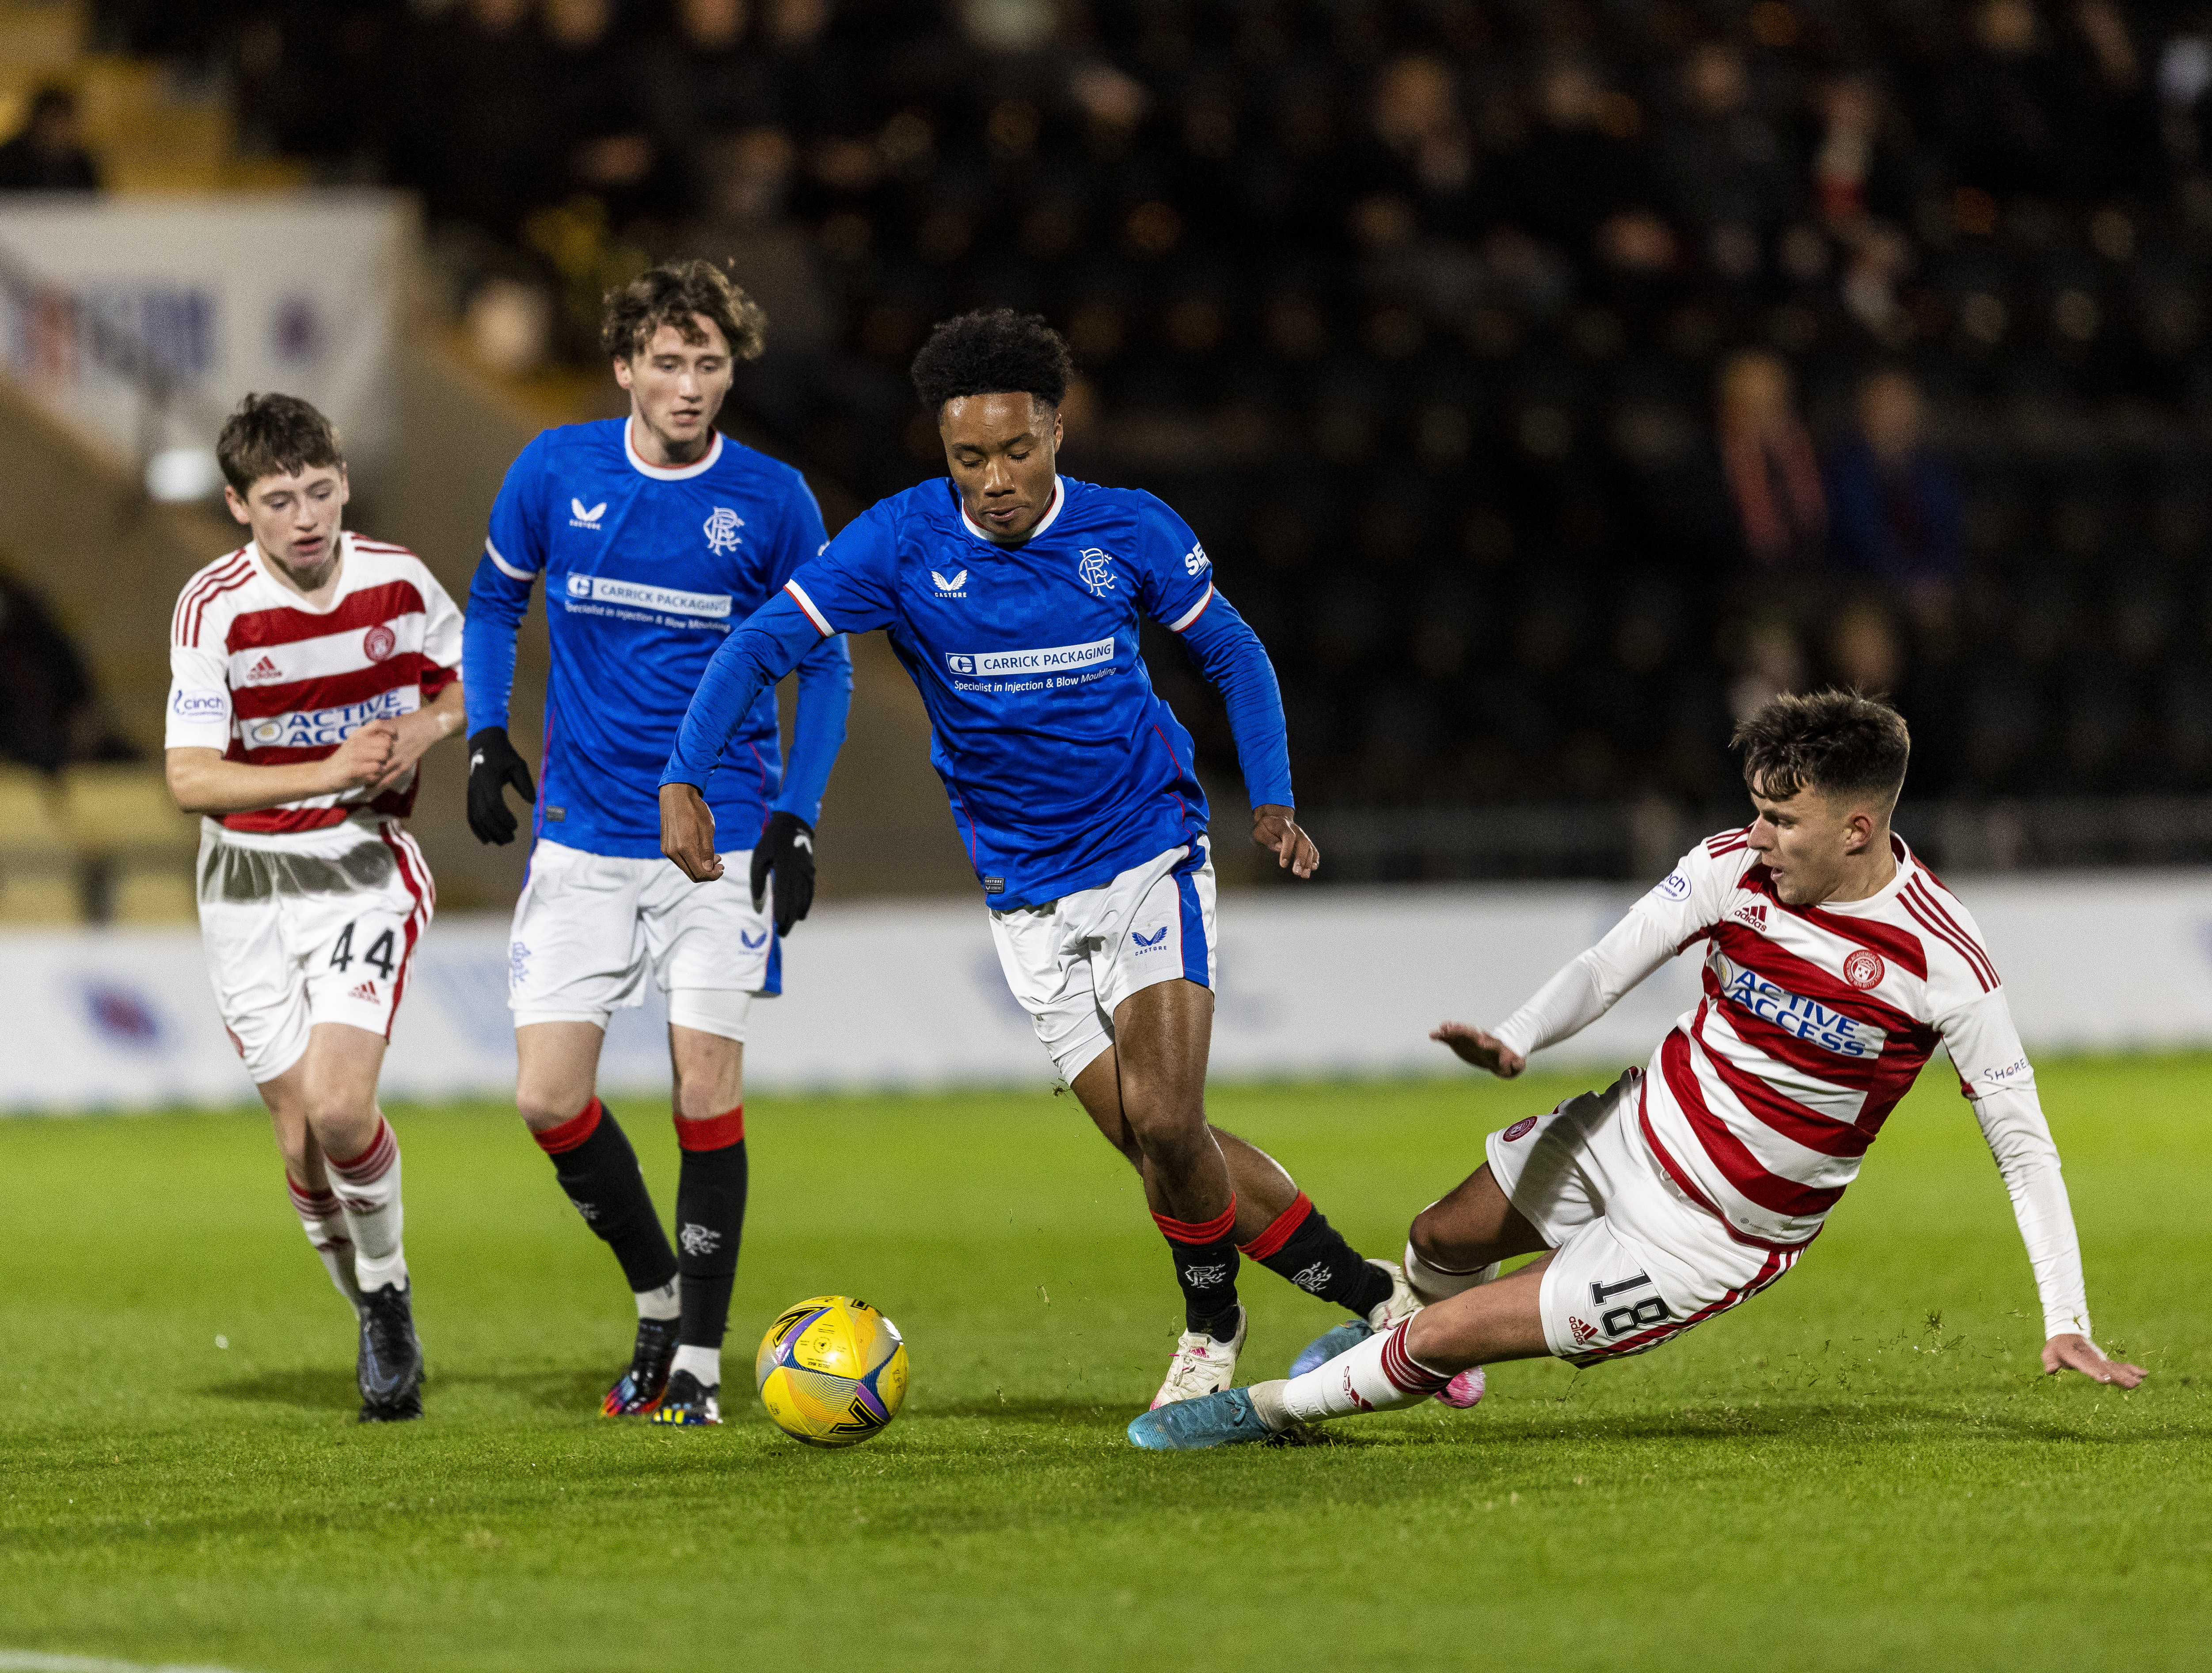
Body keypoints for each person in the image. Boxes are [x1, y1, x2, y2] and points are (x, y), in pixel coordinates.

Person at [661, 309, 1414, 1411]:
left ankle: (1211, 1327)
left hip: (1147, 847)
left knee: (1166, 1117)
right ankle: (1375, 1294)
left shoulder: (1130, 533)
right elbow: (765, 642)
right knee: (1162, 1149)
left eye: (1017, 451)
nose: (995, 479)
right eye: (970, 458)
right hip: (1022, 894)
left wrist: (1272, 796)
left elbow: (1235, 652)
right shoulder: (900, 543)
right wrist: (685, 773)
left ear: (1057, 432)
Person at [1129, 690, 2147, 1449]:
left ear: (1859, 829)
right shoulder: (1728, 868)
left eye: (1782, 822)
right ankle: (1394, 1355)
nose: (1759, 836)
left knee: (1449, 1333)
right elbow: (1612, 959)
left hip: (1712, 1236)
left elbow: (2023, 1148)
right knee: (1437, 1239)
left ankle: (1257, 1413)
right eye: (1754, 811)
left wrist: (2066, 1321)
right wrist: (1520, 1037)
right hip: (1632, 1128)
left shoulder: (1941, 962)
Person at [462, 259, 852, 1428]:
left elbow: (824, 661)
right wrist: (484, 735)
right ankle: (656, 1288)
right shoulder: (553, 469)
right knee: (546, 1097)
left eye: (710, 365)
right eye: (668, 363)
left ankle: (696, 1358)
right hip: (583, 835)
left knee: (702, 1085)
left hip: (717, 837)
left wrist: (798, 815)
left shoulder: (775, 499)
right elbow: (492, 604)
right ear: (625, 366)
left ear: (733, 373)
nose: (689, 387)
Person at [164, 394, 464, 1423]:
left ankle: (386, 1302)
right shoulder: (214, 608)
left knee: (341, 1108)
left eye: (322, 491)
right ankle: (378, 1308)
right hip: (246, 884)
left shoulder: (398, 579)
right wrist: (324, 765)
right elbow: (192, 780)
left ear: (343, 482)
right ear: (238, 505)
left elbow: (470, 683)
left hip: (357, 865)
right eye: (281, 499)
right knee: (300, 1140)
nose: (307, 518)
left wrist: (425, 730)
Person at [0, 86, 99, 192]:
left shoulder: (80, 165)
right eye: (53, 120)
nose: (58, 129)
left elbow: (89, 204)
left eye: (64, 122)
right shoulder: (9, 159)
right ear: (36, 121)